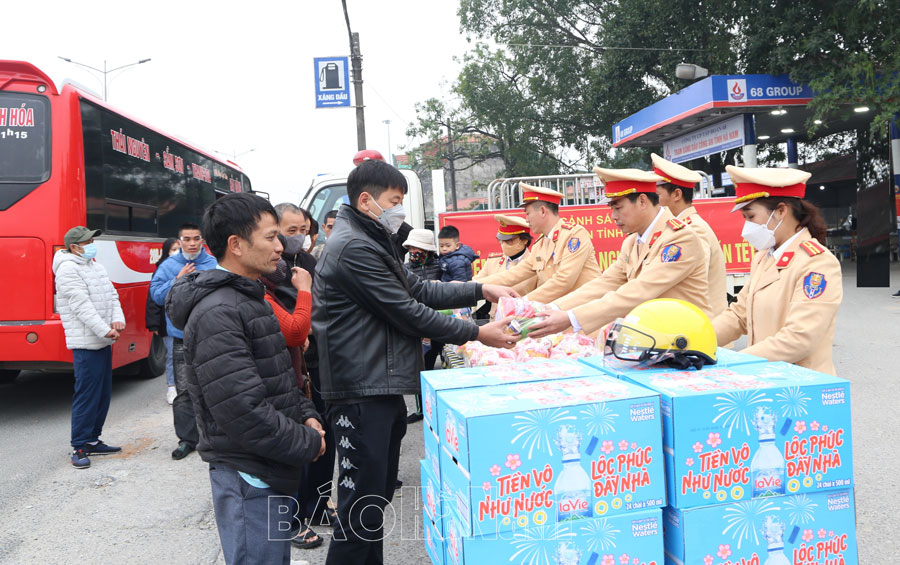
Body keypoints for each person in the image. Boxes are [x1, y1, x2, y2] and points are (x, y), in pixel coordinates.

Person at [312, 159, 519, 564]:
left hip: (378, 385)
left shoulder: (371, 238)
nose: (399, 212)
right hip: (360, 389)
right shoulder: (353, 246)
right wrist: (477, 333)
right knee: (360, 507)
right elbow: (405, 310)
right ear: (366, 200)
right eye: (395, 202)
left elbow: (419, 289)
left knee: (374, 498)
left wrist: (480, 289)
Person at [166, 192, 326, 565]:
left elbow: (276, 377)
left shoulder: (250, 296)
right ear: (236, 245)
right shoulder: (219, 311)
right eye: (271, 237)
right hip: (248, 471)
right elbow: (241, 408)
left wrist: (306, 413)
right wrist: (307, 441)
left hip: (266, 462)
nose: (281, 246)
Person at [529, 167, 711, 339]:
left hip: (687, 342)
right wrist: (551, 308)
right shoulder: (632, 242)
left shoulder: (680, 238)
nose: (613, 216)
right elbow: (604, 283)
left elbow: (639, 290)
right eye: (612, 209)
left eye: (618, 208)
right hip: (655, 341)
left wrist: (571, 318)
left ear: (642, 201)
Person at [713, 166, 843, 375]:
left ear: (781, 211)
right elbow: (739, 315)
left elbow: (799, 338)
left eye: (751, 217)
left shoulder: (817, 263)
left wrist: (737, 362)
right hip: (766, 377)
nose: (746, 228)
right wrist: (696, 341)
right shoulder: (763, 257)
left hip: (801, 387)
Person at [53, 226, 124, 469]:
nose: (92, 244)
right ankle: (80, 445)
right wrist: (104, 329)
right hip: (86, 342)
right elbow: (81, 306)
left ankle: (93, 439)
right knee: (87, 394)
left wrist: (118, 320)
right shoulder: (67, 270)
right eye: (88, 241)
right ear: (74, 247)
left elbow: (112, 296)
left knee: (103, 393)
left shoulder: (95, 266)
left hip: (103, 340)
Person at [150, 222, 218, 461]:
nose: (192, 243)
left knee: (214, 387)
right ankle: (187, 439)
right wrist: (177, 280)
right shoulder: (169, 266)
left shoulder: (213, 263)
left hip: (210, 335)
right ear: (179, 242)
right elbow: (157, 296)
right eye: (187, 239)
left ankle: (213, 437)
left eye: (196, 238)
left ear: (203, 240)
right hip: (180, 338)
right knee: (184, 391)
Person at [478, 183, 601, 303]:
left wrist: (524, 302)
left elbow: (564, 280)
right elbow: (513, 275)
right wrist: (472, 286)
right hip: (562, 317)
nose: (526, 220)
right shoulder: (540, 245)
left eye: (527, 213)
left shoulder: (574, 235)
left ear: (542, 211)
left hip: (586, 316)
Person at [652, 153, 728, 318]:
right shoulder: (678, 227)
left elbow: (694, 284)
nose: (654, 201)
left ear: (677, 195)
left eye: (657, 194)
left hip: (702, 328)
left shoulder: (694, 229)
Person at [402, 228, 443, 423]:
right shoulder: (406, 269)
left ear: (428, 251)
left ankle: (442, 407)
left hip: (443, 321)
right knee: (422, 368)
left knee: (446, 366)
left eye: (417, 248)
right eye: (411, 248)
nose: (413, 252)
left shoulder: (441, 266)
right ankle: (422, 410)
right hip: (421, 324)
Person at [473, 214, 538, 317]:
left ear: (524, 240)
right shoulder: (493, 261)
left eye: (509, 241)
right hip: (496, 322)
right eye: (501, 240)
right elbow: (476, 284)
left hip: (524, 321)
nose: (504, 244)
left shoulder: (535, 264)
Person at [145, 237, 179, 404]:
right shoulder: (161, 270)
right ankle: (172, 388)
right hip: (167, 322)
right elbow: (153, 299)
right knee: (172, 355)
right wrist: (153, 323)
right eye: (173, 249)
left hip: (184, 321)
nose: (177, 252)